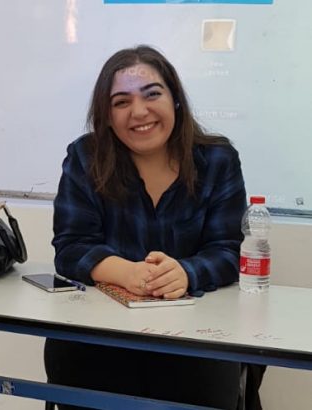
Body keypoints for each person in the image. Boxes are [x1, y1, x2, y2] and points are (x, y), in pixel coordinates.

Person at [45, 45, 264, 409]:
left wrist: (186, 273)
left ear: (175, 99)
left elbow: (228, 250)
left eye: (152, 94)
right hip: (99, 337)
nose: (139, 112)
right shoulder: (86, 157)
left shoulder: (217, 159)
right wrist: (128, 273)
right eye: (121, 102)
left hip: (194, 340)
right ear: (107, 115)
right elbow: (71, 248)